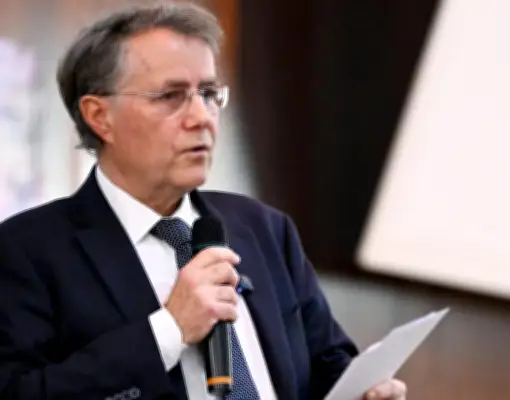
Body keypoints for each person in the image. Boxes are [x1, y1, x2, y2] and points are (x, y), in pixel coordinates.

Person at [0, 2, 407, 400]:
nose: (202, 117)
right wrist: (170, 330)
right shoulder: (27, 250)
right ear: (99, 116)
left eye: (209, 93)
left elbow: (327, 363)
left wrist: (365, 389)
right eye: (170, 96)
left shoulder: (263, 227)